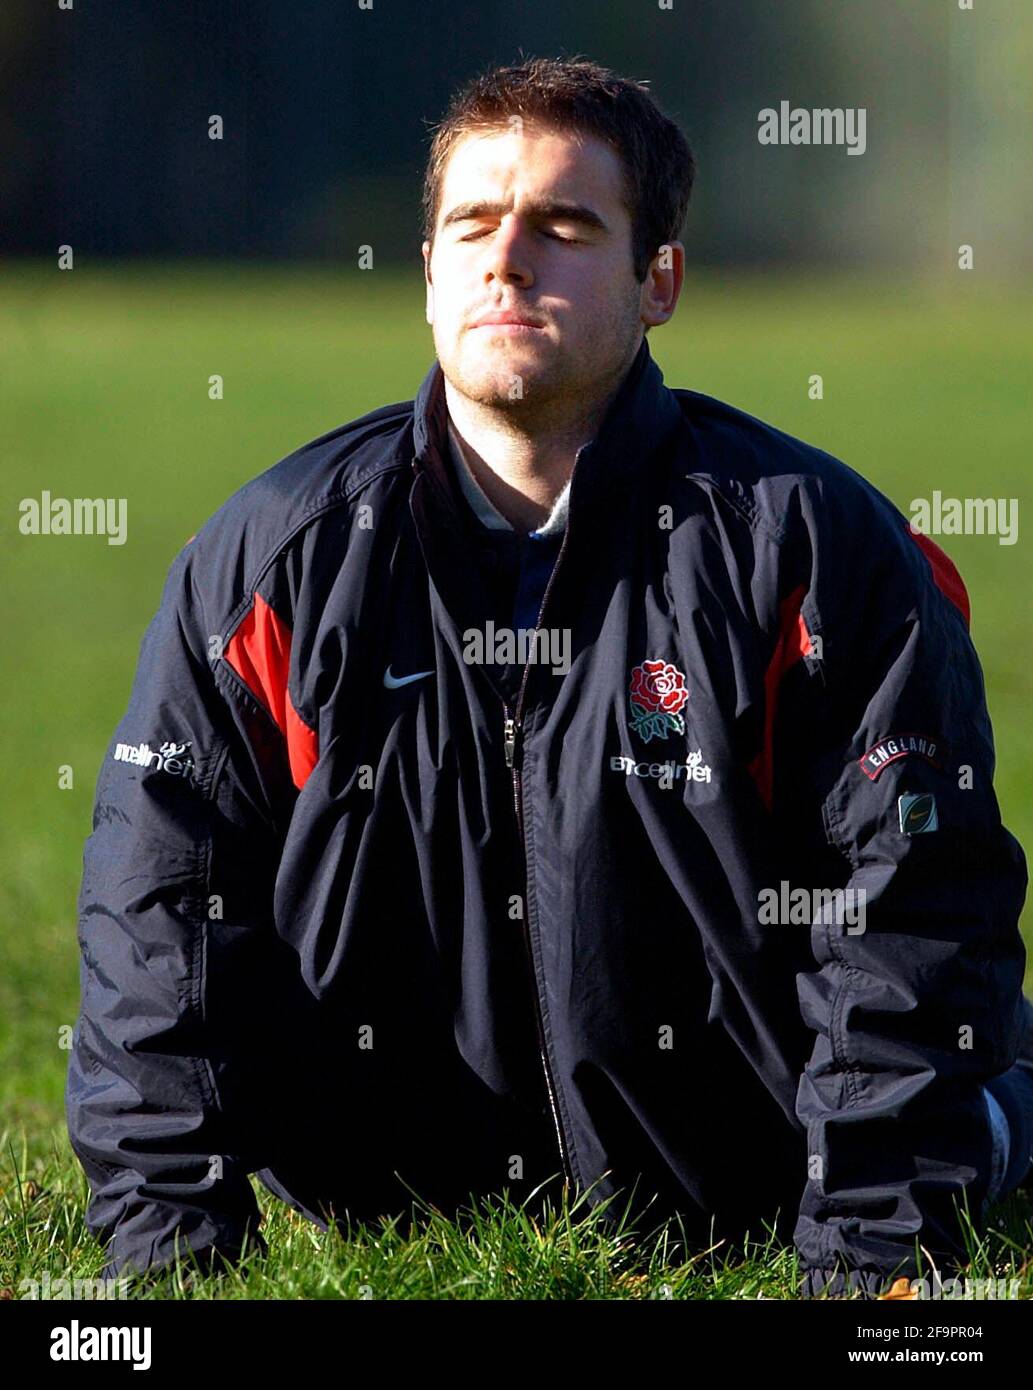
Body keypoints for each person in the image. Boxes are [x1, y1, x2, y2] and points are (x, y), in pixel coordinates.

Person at [66, 55, 1032, 1301]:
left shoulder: (817, 551)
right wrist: (165, 1257)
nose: (506, 257)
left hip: (745, 1167)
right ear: (426, 277)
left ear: (659, 280)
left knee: (979, 1093)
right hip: (380, 1186)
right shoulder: (269, 561)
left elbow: (910, 915)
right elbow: (157, 922)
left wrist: (866, 1258)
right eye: (470, 223)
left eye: (565, 226)